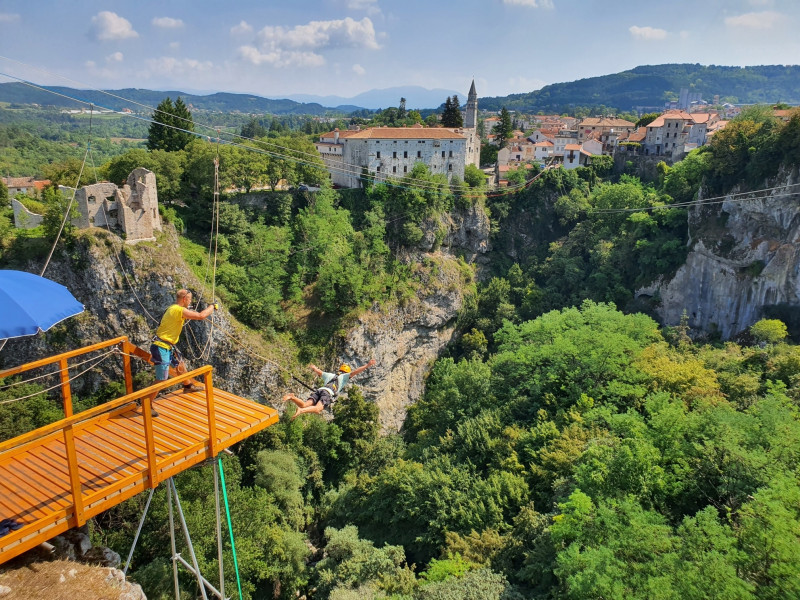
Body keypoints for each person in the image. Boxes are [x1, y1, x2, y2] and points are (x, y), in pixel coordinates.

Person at [145, 289, 217, 417]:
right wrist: (212, 307)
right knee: (161, 379)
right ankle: (147, 404)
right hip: (162, 346)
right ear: (184, 299)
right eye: (189, 299)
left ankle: (188, 385)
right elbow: (201, 316)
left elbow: (193, 314)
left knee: (180, 366)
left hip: (167, 345)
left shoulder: (174, 309)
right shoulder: (178, 310)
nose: (190, 301)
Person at [283, 359, 377, 419]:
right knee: (317, 409)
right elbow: (355, 372)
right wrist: (367, 365)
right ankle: (300, 410)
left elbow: (319, 372)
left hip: (319, 390)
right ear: (346, 372)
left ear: (339, 369)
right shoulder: (344, 377)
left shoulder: (330, 375)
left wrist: (314, 368)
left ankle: (292, 397)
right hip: (327, 393)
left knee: (304, 404)